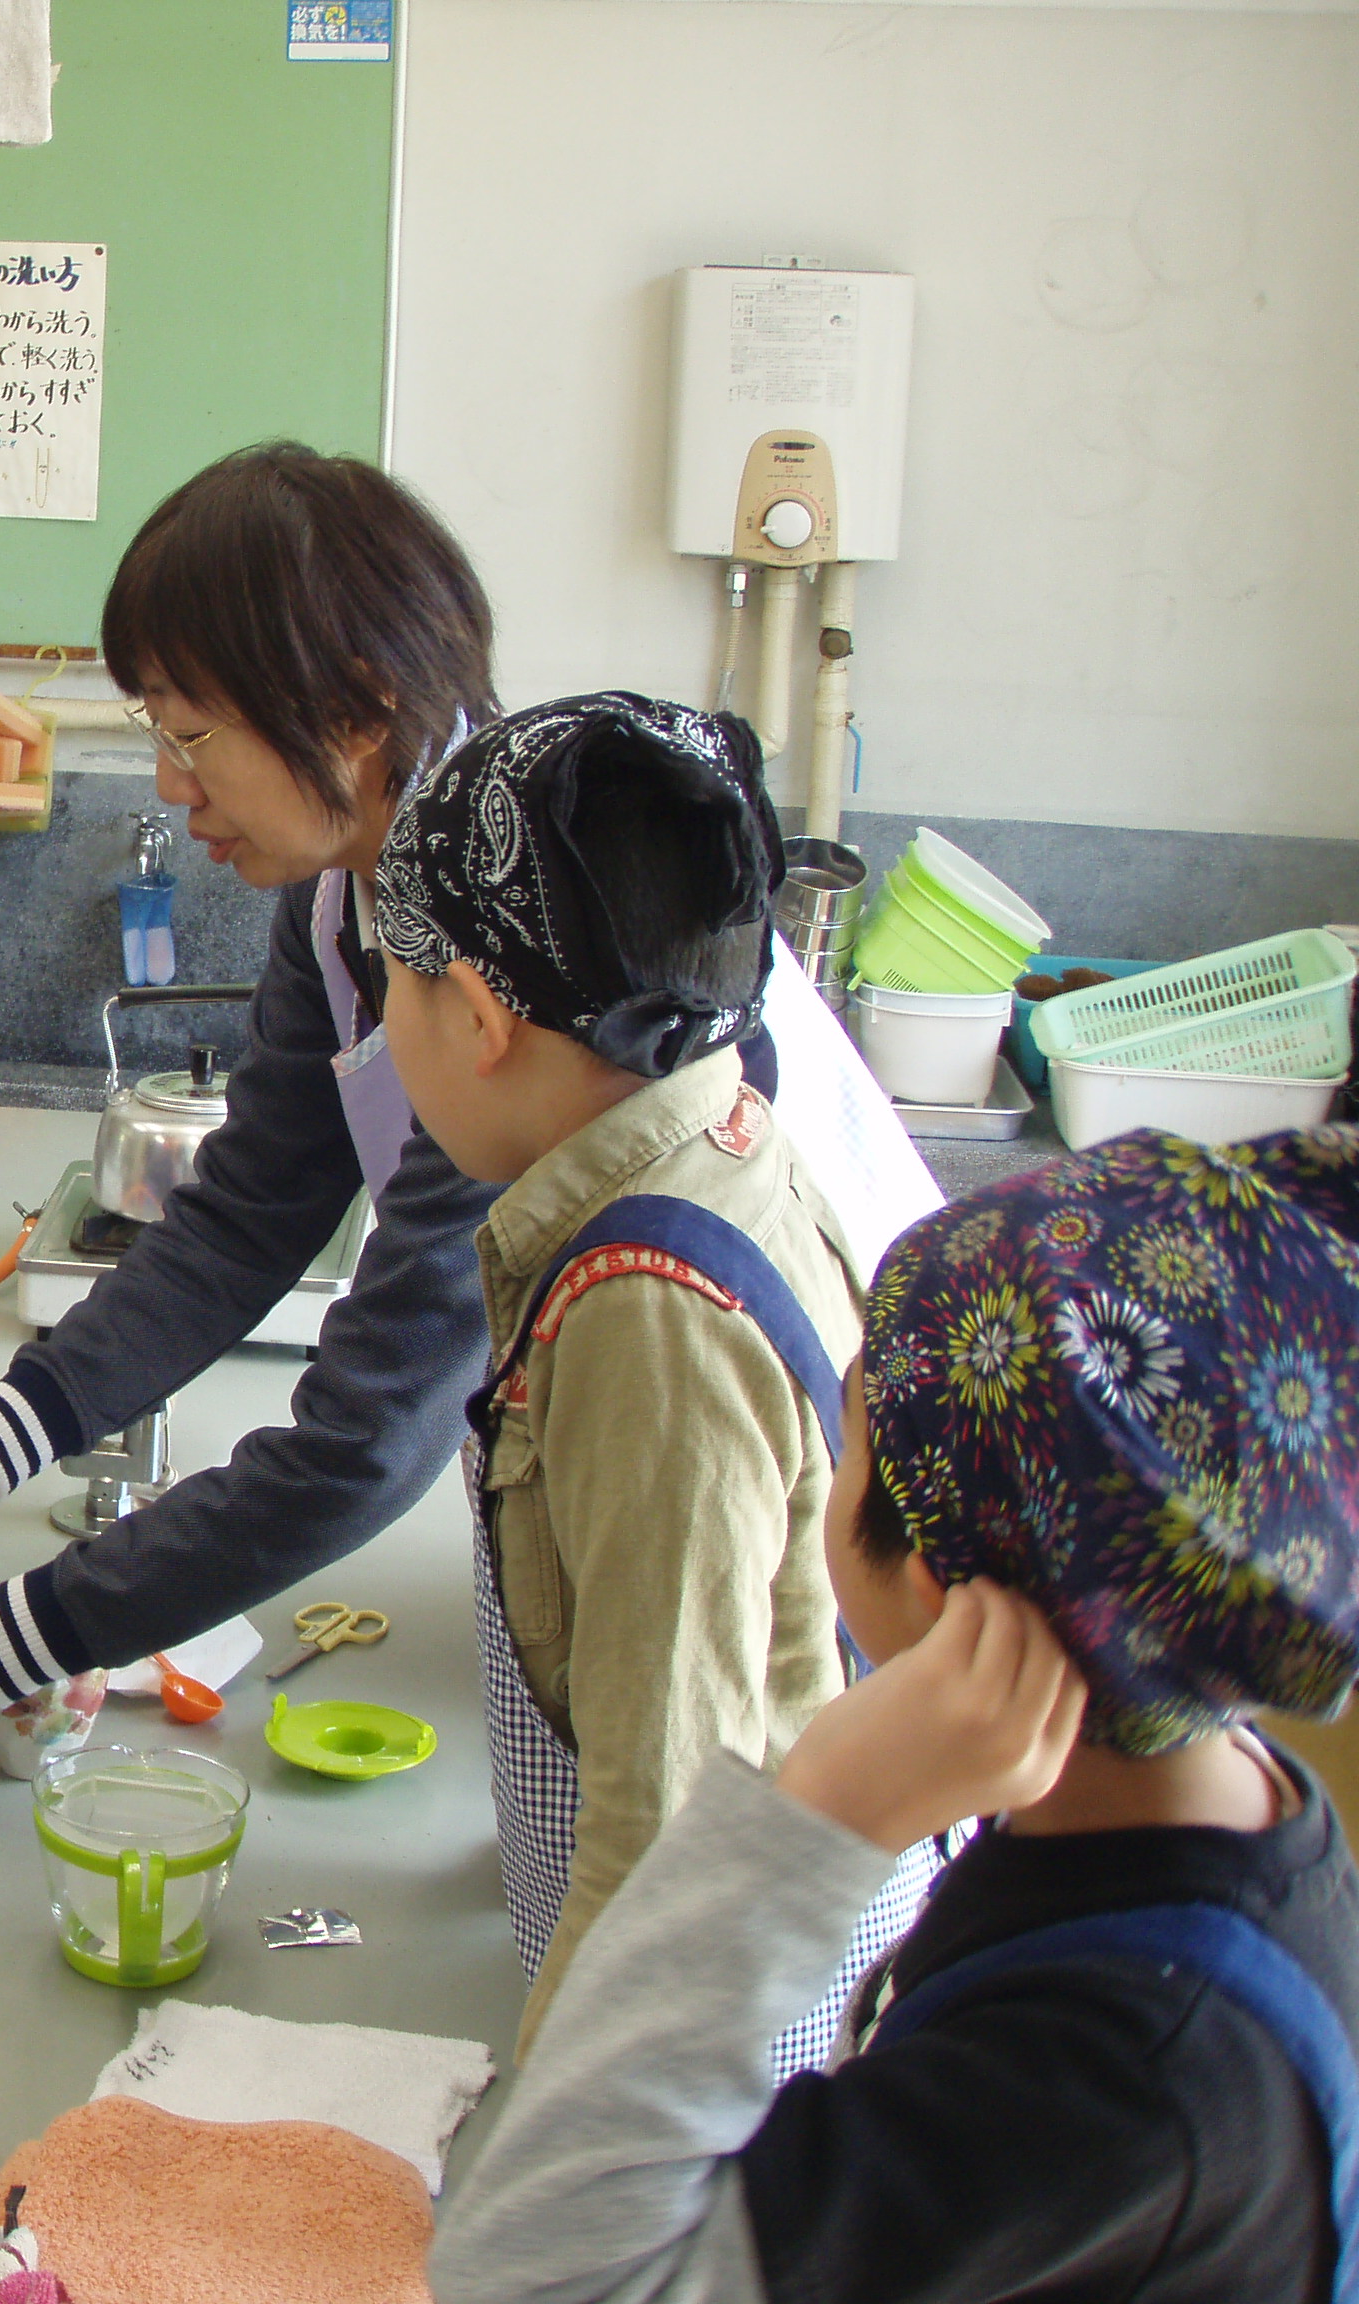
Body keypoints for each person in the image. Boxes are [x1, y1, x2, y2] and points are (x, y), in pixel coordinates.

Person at [0, 442, 937, 1763]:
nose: (169, 783)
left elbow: (364, 1441)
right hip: (602, 1467)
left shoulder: (526, 966)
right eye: (155, 732)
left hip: (830, 1538)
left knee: (700, 1800)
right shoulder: (352, 896)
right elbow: (247, 1215)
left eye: (191, 733)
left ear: (357, 712)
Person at [432, 1125, 1359, 2304]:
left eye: (850, 1431)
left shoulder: (1119, 2079)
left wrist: (821, 1816)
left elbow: (527, 2269)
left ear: (933, 1583)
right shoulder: (1197, 1788)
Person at [369, 691, 935, 2069]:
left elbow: (667, 1839)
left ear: (480, 1016)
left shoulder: (648, 1317)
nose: (385, 1026)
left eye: (395, 983)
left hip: (721, 2021)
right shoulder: (716, 1133)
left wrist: (558, 2148)